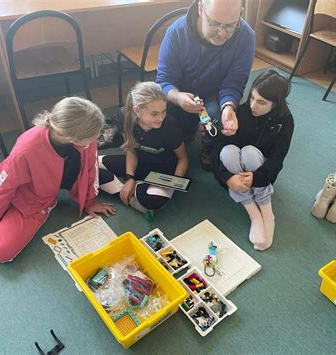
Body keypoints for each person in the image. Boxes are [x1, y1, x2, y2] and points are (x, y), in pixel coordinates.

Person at [0, 97, 115, 262]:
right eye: (94, 135)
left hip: (35, 199)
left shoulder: (87, 144)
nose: (96, 138)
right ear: (72, 138)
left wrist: (90, 202)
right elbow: (2, 190)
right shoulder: (27, 148)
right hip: (3, 185)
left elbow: (89, 172)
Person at [156, 0, 255, 169]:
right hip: (181, 93)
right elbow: (165, 79)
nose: (222, 33)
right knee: (160, 128)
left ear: (240, 14)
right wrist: (178, 97)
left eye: (230, 26)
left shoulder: (246, 36)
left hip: (215, 96)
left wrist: (229, 106)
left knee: (218, 117)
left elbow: (235, 81)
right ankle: (187, 129)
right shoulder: (176, 32)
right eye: (215, 24)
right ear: (201, 8)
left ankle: (208, 146)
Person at [210, 68, 294, 251]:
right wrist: (227, 178)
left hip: (260, 172)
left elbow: (277, 160)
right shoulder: (242, 111)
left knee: (249, 151)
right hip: (235, 174)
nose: (253, 105)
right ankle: (254, 214)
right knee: (228, 151)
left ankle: (267, 212)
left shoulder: (285, 121)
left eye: (262, 102)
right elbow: (215, 151)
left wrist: (257, 178)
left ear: (276, 104)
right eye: (252, 98)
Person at [98, 82, 188, 216]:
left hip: (163, 171)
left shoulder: (170, 126)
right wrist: (130, 178)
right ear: (137, 111)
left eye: (163, 111)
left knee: (151, 201)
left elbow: (182, 159)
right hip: (139, 163)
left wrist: (174, 182)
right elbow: (131, 151)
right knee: (91, 165)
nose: (161, 118)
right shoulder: (126, 118)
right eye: (154, 114)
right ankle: (131, 193)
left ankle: (125, 191)